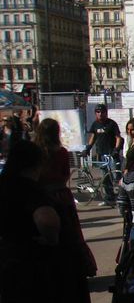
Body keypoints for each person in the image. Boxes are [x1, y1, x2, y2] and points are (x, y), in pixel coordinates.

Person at [0, 140, 99, 303]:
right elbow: (46, 218)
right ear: (36, 164)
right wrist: (52, 238)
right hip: (41, 269)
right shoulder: (32, 190)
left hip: (10, 267)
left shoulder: (4, 185)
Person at [33, 117, 98, 276]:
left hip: (41, 196)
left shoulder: (36, 151)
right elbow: (65, 175)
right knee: (70, 231)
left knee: (43, 231)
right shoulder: (61, 152)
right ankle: (76, 266)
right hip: (61, 195)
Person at [85, 103, 122, 203]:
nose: (100, 114)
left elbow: (118, 138)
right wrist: (88, 148)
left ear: (106, 113)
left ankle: (122, 198)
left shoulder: (112, 124)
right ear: (95, 113)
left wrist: (116, 149)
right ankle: (109, 198)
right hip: (101, 154)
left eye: (102, 112)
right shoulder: (95, 124)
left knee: (116, 176)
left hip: (111, 154)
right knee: (105, 178)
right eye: (98, 112)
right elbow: (93, 137)